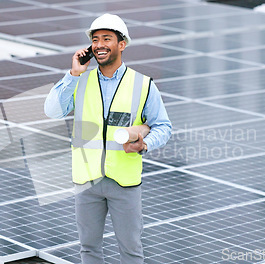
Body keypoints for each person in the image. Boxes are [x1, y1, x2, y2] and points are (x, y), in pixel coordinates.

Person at [44, 13, 172, 264]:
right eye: (95, 40)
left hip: (124, 183)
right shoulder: (79, 80)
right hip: (86, 181)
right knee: (89, 249)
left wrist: (144, 143)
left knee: (131, 250)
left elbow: (163, 127)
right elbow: (52, 111)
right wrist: (73, 73)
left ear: (121, 44)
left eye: (107, 38)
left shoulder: (143, 84)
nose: (99, 44)